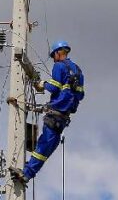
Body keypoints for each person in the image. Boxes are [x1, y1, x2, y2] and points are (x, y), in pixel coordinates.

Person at [10, 40, 84, 188]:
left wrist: (41, 83)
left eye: (53, 56)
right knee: (47, 148)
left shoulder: (59, 66)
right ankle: (28, 171)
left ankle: (27, 172)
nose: (53, 59)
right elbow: (81, 95)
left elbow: (54, 87)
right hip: (64, 116)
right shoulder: (78, 70)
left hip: (55, 112)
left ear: (57, 53)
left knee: (43, 146)